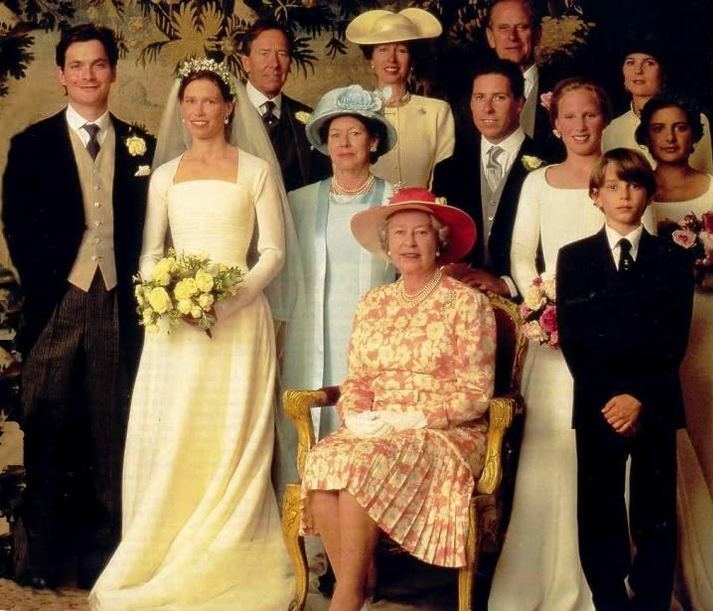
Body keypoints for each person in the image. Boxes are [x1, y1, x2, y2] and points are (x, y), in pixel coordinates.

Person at [89, 58, 296, 609]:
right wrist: (174, 297)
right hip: (176, 326)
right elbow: (152, 250)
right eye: (190, 102)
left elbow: (274, 250)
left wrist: (233, 297)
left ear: (230, 108)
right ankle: (166, 544)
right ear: (181, 109)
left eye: (210, 101)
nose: (199, 111)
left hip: (238, 320)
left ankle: (231, 544)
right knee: (180, 428)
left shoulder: (254, 170)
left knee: (233, 430)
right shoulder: (165, 175)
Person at [1, 23, 155, 589]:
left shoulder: (143, 144)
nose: (88, 75)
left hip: (118, 304)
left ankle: (105, 562)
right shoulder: (31, 144)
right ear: (61, 75)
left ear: (113, 71)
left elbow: (148, 228)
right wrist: (56, 288)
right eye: (77, 66)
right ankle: (42, 562)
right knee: (48, 427)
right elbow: (18, 227)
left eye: (98, 65)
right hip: (57, 304)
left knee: (110, 431)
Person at [300, 187, 496, 611]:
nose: (410, 243)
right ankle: (362, 577)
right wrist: (356, 415)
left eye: (421, 233)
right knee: (324, 459)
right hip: (378, 429)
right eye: (400, 234)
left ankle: (347, 594)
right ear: (386, 247)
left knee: (358, 467)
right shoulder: (374, 303)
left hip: (445, 433)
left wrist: (416, 418)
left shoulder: (468, 304)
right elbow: (358, 379)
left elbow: (477, 394)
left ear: (439, 242)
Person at [488, 78, 624, 610]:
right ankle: (547, 577)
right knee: (556, 454)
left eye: (590, 115)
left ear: (603, 119)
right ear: (555, 122)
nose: (581, 126)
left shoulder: (623, 177)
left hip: (616, 339)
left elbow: (641, 250)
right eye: (569, 116)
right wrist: (546, 302)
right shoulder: (539, 181)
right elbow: (523, 254)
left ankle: (610, 582)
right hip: (557, 339)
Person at [557, 148, 694, 611]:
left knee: (655, 507)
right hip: (597, 403)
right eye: (612, 186)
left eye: (634, 185)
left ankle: (653, 598)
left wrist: (638, 397)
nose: (623, 195)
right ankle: (609, 598)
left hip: (653, 401)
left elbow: (674, 339)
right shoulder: (573, 259)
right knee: (599, 505)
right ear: (595, 195)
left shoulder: (672, 260)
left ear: (649, 194)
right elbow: (575, 341)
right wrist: (612, 399)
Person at [635, 93, 713, 610]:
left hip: (703, 327)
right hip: (655, 331)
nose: (670, 138)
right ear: (645, 135)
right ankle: (672, 574)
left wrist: (702, 270)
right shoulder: (636, 190)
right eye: (659, 128)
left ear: (694, 134)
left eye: (680, 128)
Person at [282, 85, 398, 443]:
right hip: (309, 334)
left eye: (355, 133)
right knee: (304, 429)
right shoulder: (297, 202)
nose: (344, 143)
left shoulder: (397, 199)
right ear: (324, 143)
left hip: (376, 338)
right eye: (335, 135)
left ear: (374, 141)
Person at [433, 54, 542, 299]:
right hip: (463, 301)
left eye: (499, 98)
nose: (487, 108)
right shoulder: (447, 170)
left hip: (527, 300)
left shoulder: (549, 162)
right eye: (479, 97)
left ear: (519, 103)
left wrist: (509, 284)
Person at [345, 8, 454, 188]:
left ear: (412, 59)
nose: (392, 59)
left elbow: (442, 178)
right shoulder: (354, 112)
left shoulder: (437, 111)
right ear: (371, 58)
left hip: (423, 212)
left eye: (401, 50)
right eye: (383, 50)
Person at [601, 37, 713, 173]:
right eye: (630, 63)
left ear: (663, 73)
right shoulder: (611, 129)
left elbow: (705, 181)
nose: (638, 70)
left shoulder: (691, 121)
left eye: (649, 63)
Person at [240, 18, 326, 191]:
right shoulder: (225, 113)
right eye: (264, 54)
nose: (274, 64)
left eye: (282, 54)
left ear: (290, 63)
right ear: (246, 63)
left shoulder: (309, 118)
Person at [484, 0, 560, 160]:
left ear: (537, 34)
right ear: (491, 37)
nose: (512, 36)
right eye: (503, 28)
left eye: (522, 27)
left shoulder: (564, 90)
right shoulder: (466, 100)